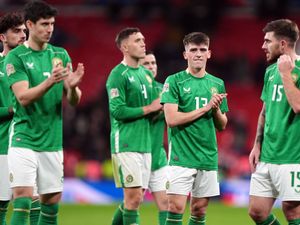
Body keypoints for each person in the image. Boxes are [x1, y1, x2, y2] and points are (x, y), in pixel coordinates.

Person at [4, 1, 84, 225]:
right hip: (24, 138)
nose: (50, 29)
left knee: (51, 202)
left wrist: (74, 87)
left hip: (52, 141)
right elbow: (23, 97)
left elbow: (73, 101)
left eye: (52, 24)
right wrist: (51, 81)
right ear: (29, 24)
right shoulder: (17, 57)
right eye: (44, 24)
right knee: (23, 199)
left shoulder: (60, 54)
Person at [161, 32, 228, 225]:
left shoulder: (217, 84)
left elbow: (222, 125)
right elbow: (171, 119)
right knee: (175, 208)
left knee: (199, 211)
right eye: (193, 50)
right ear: (185, 54)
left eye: (202, 50)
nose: (198, 54)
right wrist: (205, 108)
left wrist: (215, 110)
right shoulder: (174, 81)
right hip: (180, 157)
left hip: (207, 156)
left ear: (209, 54)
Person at [106, 27, 162, 225]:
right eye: (138, 40)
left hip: (145, 145)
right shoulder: (118, 75)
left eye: (143, 39)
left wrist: (160, 110)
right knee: (133, 198)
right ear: (125, 47)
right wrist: (150, 108)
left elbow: (151, 111)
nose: (143, 43)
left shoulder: (145, 76)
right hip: (126, 143)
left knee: (135, 198)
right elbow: (117, 110)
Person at [249, 19, 300, 225]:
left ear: (282, 44)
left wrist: (286, 74)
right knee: (257, 211)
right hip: (268, 155)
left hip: (293, 156)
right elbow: (265, 110)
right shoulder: (270, 72)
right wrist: (256, 144)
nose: (263, 46)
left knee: (292, 212)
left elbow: (297, 106)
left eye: (267, 41)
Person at [0, 11, 41, 225]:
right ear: (2, 38)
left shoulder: (31, 66)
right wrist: (13, 109)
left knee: (34, 201)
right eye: (16, 31)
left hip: (29, 142)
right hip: (3, 144)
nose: (23, 35)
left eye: (24, 30)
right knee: (2, 204)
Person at [139, 51, 168, 225]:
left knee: (166, 203)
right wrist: (153, 108)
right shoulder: (134, 90)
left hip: (158, 157)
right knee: (134, 202)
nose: (151, 66)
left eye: (153, 63)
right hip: (137, 154)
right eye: (146, 63)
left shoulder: (164, 89)